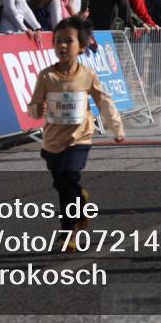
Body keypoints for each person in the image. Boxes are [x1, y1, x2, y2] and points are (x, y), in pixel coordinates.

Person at [27, 16, 125, 252]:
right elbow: (32, 107)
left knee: (69, 176)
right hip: (52, 142)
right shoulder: (47, 76)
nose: (62, 45)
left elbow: (104, 100)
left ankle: (67, 232)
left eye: (68, 41)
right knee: (63, 185)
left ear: (81, 46)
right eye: (58, 40)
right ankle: (80, 200)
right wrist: (36, 110)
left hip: (79, 138)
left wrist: (116, 127)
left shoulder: (87, 75)